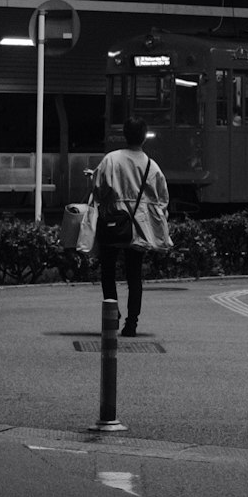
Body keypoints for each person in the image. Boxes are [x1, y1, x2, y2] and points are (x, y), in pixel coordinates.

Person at [88, 117, 172, 336]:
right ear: (144, 137)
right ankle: (132, 324)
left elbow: (99, 190)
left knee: (108, 270)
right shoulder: (152, 166)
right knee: (134, 276)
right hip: (139, 228)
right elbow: (162, 200)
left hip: (112, 222)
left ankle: (111, 313)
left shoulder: (111, 159)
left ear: (124, 135)